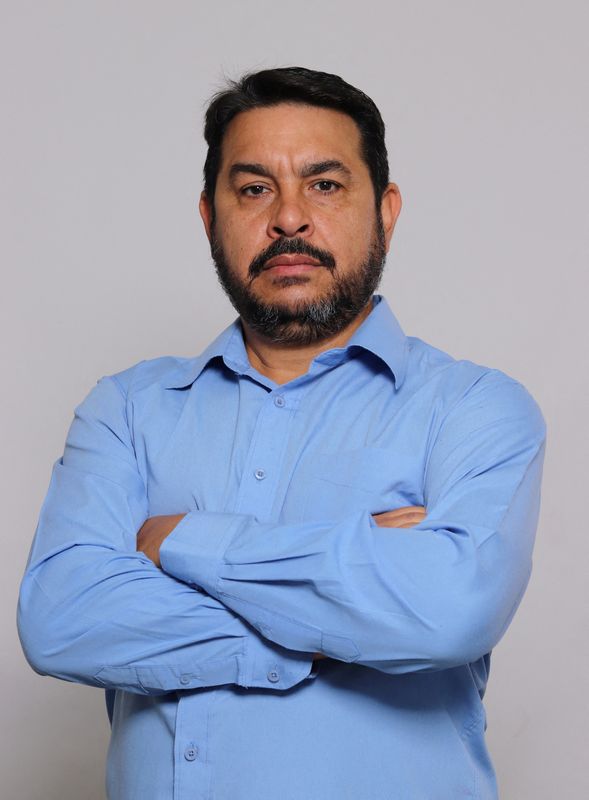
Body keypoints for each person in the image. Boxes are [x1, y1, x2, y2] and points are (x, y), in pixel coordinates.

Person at [18, 67, 546, 799]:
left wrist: (181, 543)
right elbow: (62, 620)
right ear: (210, 216)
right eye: (254, 188)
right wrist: (346, 615)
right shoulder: (129, 409)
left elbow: (448, 610)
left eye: (324, 185)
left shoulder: (474, 409)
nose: (288, 218)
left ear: (385, 210)